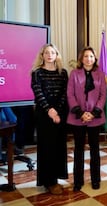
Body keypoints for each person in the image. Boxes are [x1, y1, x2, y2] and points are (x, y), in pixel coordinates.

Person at [67, 46, 107, 191]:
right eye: (85, 56)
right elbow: (70, 94)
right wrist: (81, 113)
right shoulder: (74, 74)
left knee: (95, 150)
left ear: (95, 58)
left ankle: (96, 179)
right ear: (81, 59)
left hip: (95, 118)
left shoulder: (100, 75)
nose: (88, 59)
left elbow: (103, 95)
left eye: (91, 56)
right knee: (78, 150)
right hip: (77, 118)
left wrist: (94, 113)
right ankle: (78, 181)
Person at [31, 43, 69, 194]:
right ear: (42, 56)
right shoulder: (37, 73)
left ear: (56, 55)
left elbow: (65, 93)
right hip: (44, 113)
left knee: (58, 146)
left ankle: (56, 178)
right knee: (46, 147)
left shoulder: (63, 72)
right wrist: (50, 110)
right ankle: (48, 181)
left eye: (52, 52)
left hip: (60, 113)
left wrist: (57, 111)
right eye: (46, 53)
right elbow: (38, 92)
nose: (49, 55)